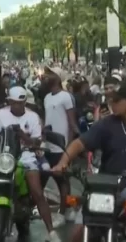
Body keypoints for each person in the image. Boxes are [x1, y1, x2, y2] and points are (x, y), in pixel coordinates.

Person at [52, 81, 126, 242]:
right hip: (105, 184)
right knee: (77, 234)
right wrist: (63, 162)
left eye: (116, 101)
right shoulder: (107, 124)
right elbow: (80, 143)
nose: (111, 104)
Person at [0, 86, 60, 242]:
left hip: (26, 157)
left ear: (25, 101)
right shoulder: (0, 114)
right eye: (15, 102)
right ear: (9, 101)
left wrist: (21, 134)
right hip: (5, 157)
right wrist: (5, 136)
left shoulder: (33, 117)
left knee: (37, 193)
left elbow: (36, 142)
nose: (18, 105)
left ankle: (51, 233)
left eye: (21, 102)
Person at [42, 66, 77, 224]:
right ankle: (68, 209)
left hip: (61, 146)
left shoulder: (66, 97)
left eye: (50, 74)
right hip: (48, 145)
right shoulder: (47, 97)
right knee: (45, 177)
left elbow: (72, 123)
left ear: (57, 77)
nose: (46, 76)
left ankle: (63, 213)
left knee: (62, 180)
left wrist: (69, 148)